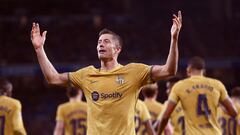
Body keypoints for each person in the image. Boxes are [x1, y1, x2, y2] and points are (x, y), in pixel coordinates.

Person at [30, 11, 182, 135]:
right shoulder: (86, 74)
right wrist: (39, 49)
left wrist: (174, 39)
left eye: (106, 41)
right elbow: (53, 78)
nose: (100, 44)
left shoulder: (134, 72)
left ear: (117, 49)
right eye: (99, 42)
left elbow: (169, 70)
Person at [157, 56, 237, 135]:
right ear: (204, 71)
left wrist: (158, 133)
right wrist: (220, 105)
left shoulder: (180, 86)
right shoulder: (217, 85)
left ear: (188, 69)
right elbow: (233, 112)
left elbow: (165, 116)